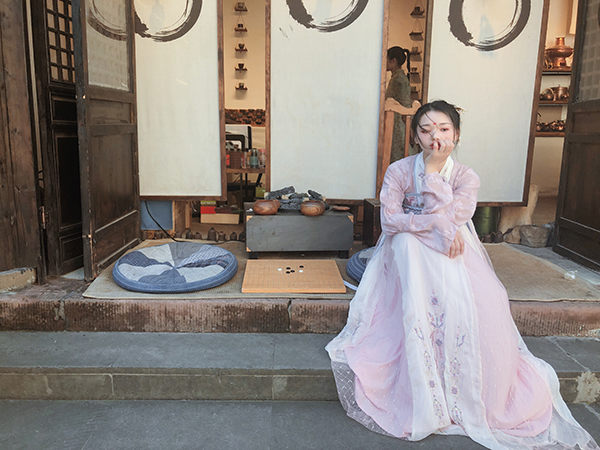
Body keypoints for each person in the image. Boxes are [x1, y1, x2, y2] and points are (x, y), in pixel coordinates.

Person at [326, 100, 598, 450]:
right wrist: (434, 216)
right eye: (425, 130)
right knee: (408, 244)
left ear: (456, 134)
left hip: (452, 248)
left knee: (463, 277)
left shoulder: (466, 176)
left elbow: (455, 220)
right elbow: (391, 221)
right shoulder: (399, 170)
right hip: (405, 249)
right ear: (415, 136)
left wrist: (435, 185)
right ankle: (420, 340)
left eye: (443, 129)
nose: (434, 137)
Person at [385, 46, 413, 162]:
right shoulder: (396, 77)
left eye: (386, 60)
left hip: (398, 125)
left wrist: (409, 128)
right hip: (395, 124)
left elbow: (406, 104)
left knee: (399, 159)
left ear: (393, 61)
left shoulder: (399, 79)